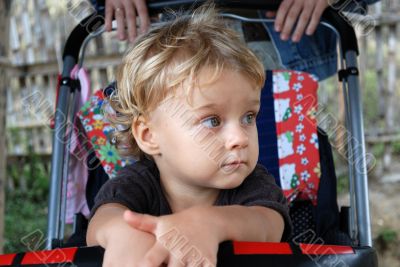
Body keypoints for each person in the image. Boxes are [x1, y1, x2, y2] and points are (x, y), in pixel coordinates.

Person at [86, 3, 292, 267]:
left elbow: (267, 226)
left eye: (248, 117)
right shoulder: (136, 184)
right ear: (149, 136)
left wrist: (210, 224)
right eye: (212, 121)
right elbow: (102, 220)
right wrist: (121, 234)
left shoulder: (254, 185)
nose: (240, 138)